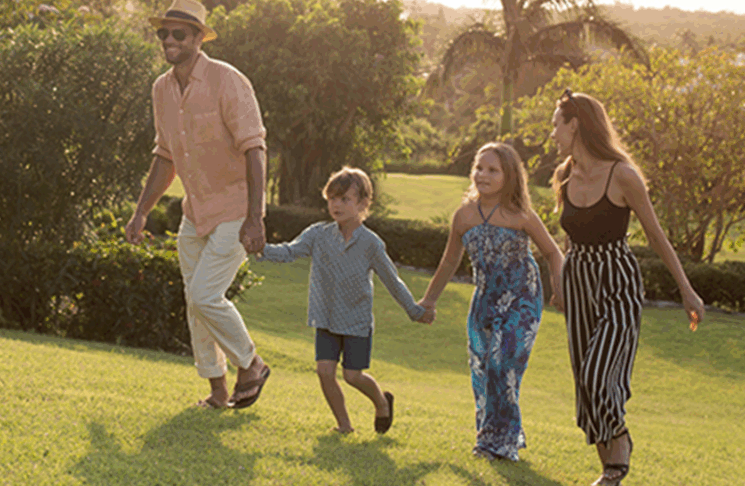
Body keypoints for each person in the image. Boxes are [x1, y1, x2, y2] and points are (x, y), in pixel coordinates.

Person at [549, 88, 706, 486]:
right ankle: (609, 470)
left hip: (616, 281)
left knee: (600, 375)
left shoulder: (623, 175)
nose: (552, 133)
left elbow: (655, 236)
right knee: (584, 378)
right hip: (579, 280)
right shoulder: (564, 175)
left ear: (576, 125)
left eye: (556, 124)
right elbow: (570, 236)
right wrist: (561, 282)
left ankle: (619, 447)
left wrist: (686, 291)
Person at [125, 0, 270, 410]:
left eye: (178, 34)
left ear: (198, 39)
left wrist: (255, 218)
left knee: (206, 295)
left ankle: (252, 363)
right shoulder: (161, 89)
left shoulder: (228, 82)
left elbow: (254, 149)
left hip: (236, 209)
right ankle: (217, 391)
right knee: (195, 304)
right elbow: (164, 156)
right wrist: (141, 211)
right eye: (163, 33)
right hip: (196, 212)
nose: (169, 40)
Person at [256, 166, 434, 435]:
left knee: (353, 376)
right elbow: (289, 252)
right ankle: (344, 425)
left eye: (344, 199)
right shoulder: (318, 234)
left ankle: (382, 401)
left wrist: (414, 310)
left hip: (356, 321)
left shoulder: (371, 244)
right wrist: (260, 248)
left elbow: (392, 281)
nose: (336, 205)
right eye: (332, 199)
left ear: (363, 204)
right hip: (326, 318)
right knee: (324, 372)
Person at [417, 142, 563, 462]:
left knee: (503, 363)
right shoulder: (464, 216)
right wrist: (429, 301)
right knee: (482, 369)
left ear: (509, 177)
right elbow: (448, 262)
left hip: (522, 297)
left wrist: (560, 291)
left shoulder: (521, 215)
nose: (483, 174)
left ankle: (504, 441)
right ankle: (489, 436)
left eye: (492, 170)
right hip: (484, 298)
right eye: (479, 168)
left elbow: (553, 252)